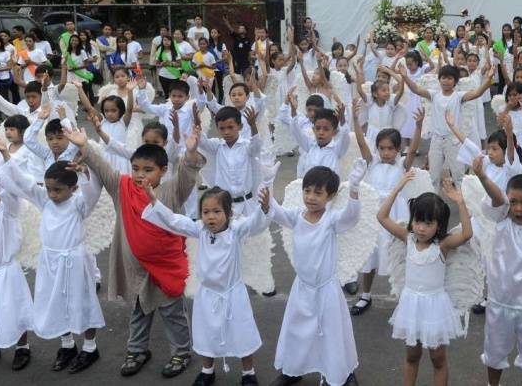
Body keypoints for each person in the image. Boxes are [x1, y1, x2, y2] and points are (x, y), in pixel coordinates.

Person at [63, 126, 206, 379]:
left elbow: (187, 173)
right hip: (135, 266)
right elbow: (102, 166)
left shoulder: (173, 189)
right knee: (139, 310)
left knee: (172, 312)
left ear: (163, 171)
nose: (140, 175)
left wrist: (192, 153)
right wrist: (85, 146)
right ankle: (137, 349)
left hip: (167, 267)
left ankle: (182, 352)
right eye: (136, 168)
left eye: (148, 170)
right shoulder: (122, 187)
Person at [142, 186, 268, 386]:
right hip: (208, 295)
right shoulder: (199, 229)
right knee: (206, 334)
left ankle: (248, 373)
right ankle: (207, 371)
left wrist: (264, 208)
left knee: (242, 333)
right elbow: (175, 221)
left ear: (229, 213)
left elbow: (256, 223)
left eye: (217, 212)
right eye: (206, 212)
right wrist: (155, 203)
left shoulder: (236, 230)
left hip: (232, 293)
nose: (211, 217)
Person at [0, 159, 105, 374]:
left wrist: (84, 173)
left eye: (58, 190)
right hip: (50, 262)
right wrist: (6, 155)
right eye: (49, 189)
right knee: (56, 302)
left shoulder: (79, 204)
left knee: (83, 301)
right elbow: (25, 184)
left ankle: (90, 348)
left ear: (73, 188)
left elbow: (93, 192)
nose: (52, 194)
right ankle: (67, 345)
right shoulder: (45, 200)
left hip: (74, 261)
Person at [259, 163, 367, 386]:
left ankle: (341, 373)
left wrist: (355, 188)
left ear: (331, 196)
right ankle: (292, 370)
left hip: (326, 289)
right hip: (303, 288)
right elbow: (274, 211)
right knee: (296, 331)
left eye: (318, 192)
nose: (311, 197)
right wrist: (268, 181)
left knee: (332, 333)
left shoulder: (332, 219)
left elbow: (352, 217)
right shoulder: (296, 216)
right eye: (307, 190)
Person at [377, 171, 472, 386]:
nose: (420, 227)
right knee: (412, 356)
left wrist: (460, 201)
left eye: (428, 223)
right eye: (418, 221)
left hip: (435, 307)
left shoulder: (443, 245)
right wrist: (398, 187)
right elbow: (381, 217)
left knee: (438, 359)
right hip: (411, 305)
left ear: (439, 226)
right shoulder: (407, 238)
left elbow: (467, 234)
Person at [474, 160, 522, 386]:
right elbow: (498, 198)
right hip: (500, 302)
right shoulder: (501, 219)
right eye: (514, 202)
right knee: (494, 352)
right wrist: (482, 177)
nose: (519, 208)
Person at [349, 103, 423, 316]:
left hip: (396, 214)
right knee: (371, 253)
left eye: (391, 148)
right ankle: (366, 294)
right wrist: (356, 120)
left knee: (399, 253)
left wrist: (418, 127)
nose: (386, 152)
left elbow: (415, 147)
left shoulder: (402, 165)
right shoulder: (371, 163)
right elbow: (362, 143)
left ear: (398, 150)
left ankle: (403, 294)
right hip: (374, 213)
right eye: (382, 148)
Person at [399, 64, 495, 189]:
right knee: (433, 176)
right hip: (437, 140)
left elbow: (477, 93)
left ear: (455, 81)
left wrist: (488, 79)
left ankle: (463, 205)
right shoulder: (434, 95)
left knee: (458, 176)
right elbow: (417, 89)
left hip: (453, 141)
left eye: (450, 78)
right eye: (443, 77)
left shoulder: (459, 96)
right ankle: (433, 205)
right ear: (439, 79)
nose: (446, 81)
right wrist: (405, 77)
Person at [0, 167, 34, 373]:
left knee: (15, 310)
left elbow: (12, 191)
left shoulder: (7, 210)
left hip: (6, 271)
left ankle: (22, 347)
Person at [278, 93, 348, 178]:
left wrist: (342, 120)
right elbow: (296, 131)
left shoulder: (336, 149)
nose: (321, 132)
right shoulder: (310, 145)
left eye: (326, 129)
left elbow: (345, 137)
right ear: (313, 129)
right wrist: (293, 111)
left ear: (334, 132)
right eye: (318, 128)